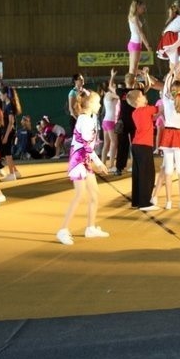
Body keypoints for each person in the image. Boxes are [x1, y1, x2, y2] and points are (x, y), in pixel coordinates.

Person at [56, 91, 110, 245]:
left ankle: (90, 228)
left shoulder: (88, 117)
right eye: (98, 102)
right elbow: (86, 145)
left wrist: (86, 94)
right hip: (79, 159)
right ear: (91, 104)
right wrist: (98, 162)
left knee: (94, 194)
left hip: (84, 159)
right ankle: (63, 230)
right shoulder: (85, 120)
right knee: (79, 194)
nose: (100, 105)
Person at [159, 70, 180, 209]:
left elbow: (166, 87)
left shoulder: (167, 101)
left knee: (168, 169)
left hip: (169, 134)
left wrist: (170, 73)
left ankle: (168, 202)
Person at [128, 88, 159, 210]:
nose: (145, 96)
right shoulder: (146, 110)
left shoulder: (136, 112)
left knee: (138, 174)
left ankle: (137, 200)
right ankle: (145, 202)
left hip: (136, 145)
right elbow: (159, 109)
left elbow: (152, 118)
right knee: (147, 174)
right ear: (138, 100)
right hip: (144, 145)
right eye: (142, 95)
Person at [0, 86, 22, 180]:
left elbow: (11, 122)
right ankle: (16, 172)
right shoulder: (7, 104)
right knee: (7, 153)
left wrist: (6, 136)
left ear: (5, 95)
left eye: (1, 94)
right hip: (7, 131)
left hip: (9, 131)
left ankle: (11, 174)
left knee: (7, 152)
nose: (0, 96)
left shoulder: (10, 105)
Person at [127, 0, 153, 75]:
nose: (143, 10)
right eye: (142, 8)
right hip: (135, 44)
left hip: (132, 43)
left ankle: (132, 82)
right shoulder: (135, 18)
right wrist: (147, 45)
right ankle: (131, 84)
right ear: (137, 7)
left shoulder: (132, 17)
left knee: (132, 68)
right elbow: (141, 33)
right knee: (133, 69)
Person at [101, 69, 120, 170]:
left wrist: (112, 76)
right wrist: (112, 77)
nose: (115, 87)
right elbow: (120, 96)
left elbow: (110, 87)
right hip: (110, 121)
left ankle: (103, 164)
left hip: (106, 121)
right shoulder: (111, 94)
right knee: (114, 143)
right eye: (114, 86)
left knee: (106, 143)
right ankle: (112, 165)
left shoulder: (107, 95)